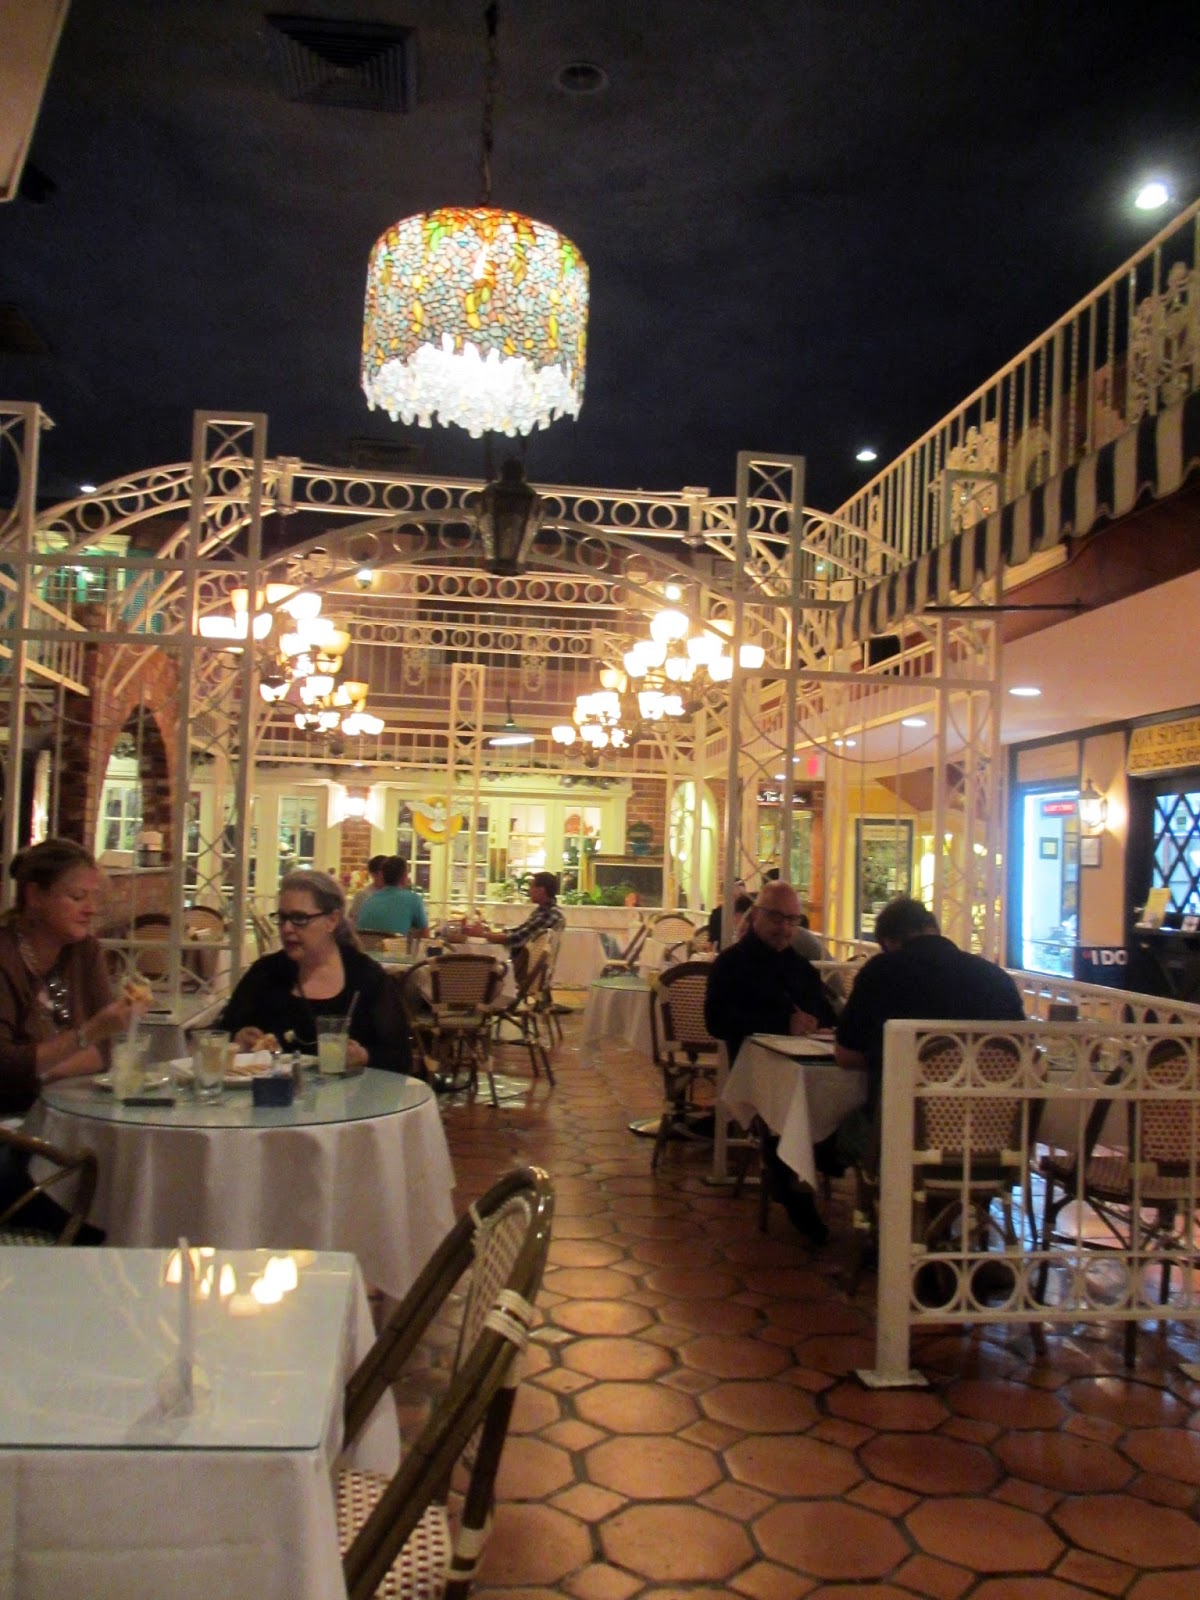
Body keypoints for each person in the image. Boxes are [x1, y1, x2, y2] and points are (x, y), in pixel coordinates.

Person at [0, 838, 151, 1240]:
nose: (91, 908)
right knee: (99, 1211)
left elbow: (103, 1055)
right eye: (76, 896)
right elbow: (4, 1068)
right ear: (34, 896)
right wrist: (85, 1035)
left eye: (93, 897)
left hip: (58, 1126)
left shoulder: (84, 952)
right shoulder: (5, 958)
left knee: (134, 1180)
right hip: (10, 1137)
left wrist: (42, 1063)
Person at [833, 895, 1025, 1160]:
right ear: (934, 928)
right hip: (991, 1140)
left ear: (888, 942)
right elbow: (1018, 1053)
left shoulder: (881, 973)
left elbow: (845, 1055)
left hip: (901, 1136)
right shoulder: (996, 978)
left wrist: (888, 1057)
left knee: (836, 1127)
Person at [704, 880, 837, 1242]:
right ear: (758, 915)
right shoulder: (731, 964)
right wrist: (782, 1023)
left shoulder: (802, 969)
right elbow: (717, 1022)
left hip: (809, 1068)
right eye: (777, 918)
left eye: (793, 920)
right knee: (787, 1105)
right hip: (757, 1070)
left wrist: (817, 1023)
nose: (785, 928)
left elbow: (824, 1014)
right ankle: (793, 1189)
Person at [221, 869, 410, 1073]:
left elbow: (400, 1058)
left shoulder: (365, 977)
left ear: (332, 921)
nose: (286, 928)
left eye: (299, 919)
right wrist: (237, 1040)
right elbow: (220, 1035)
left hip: (350, 1100)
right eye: (282, 918)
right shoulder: (266, 973)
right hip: (273, 1100)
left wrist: (364, 1056)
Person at [460, 871, 565, 954]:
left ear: (541, 890)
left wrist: (483, 934)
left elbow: (515, 938)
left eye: (532, 887)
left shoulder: (548, 914)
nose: (529, 891)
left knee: (474, 961)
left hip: (519, 968)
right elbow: (518, 931)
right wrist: (488, 931)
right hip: (525, 966)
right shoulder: (546, 911)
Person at [356, 855, 428, 938]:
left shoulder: (369, 901)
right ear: (404, 876)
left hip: (366, 950)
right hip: (395, 950)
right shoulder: (413, 899)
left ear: (383, 876)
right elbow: (425, 935)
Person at [347, 855, 388, 926]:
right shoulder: (363, 895)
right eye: (383, 872)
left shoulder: (396, 894)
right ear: (373, 874)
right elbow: (353, 921)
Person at [705, 881, 749, 947]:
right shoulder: (717, 914)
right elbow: (712, 942)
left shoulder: (750, 914)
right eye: (736, 896)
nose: (740, 899)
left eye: (742, 895)